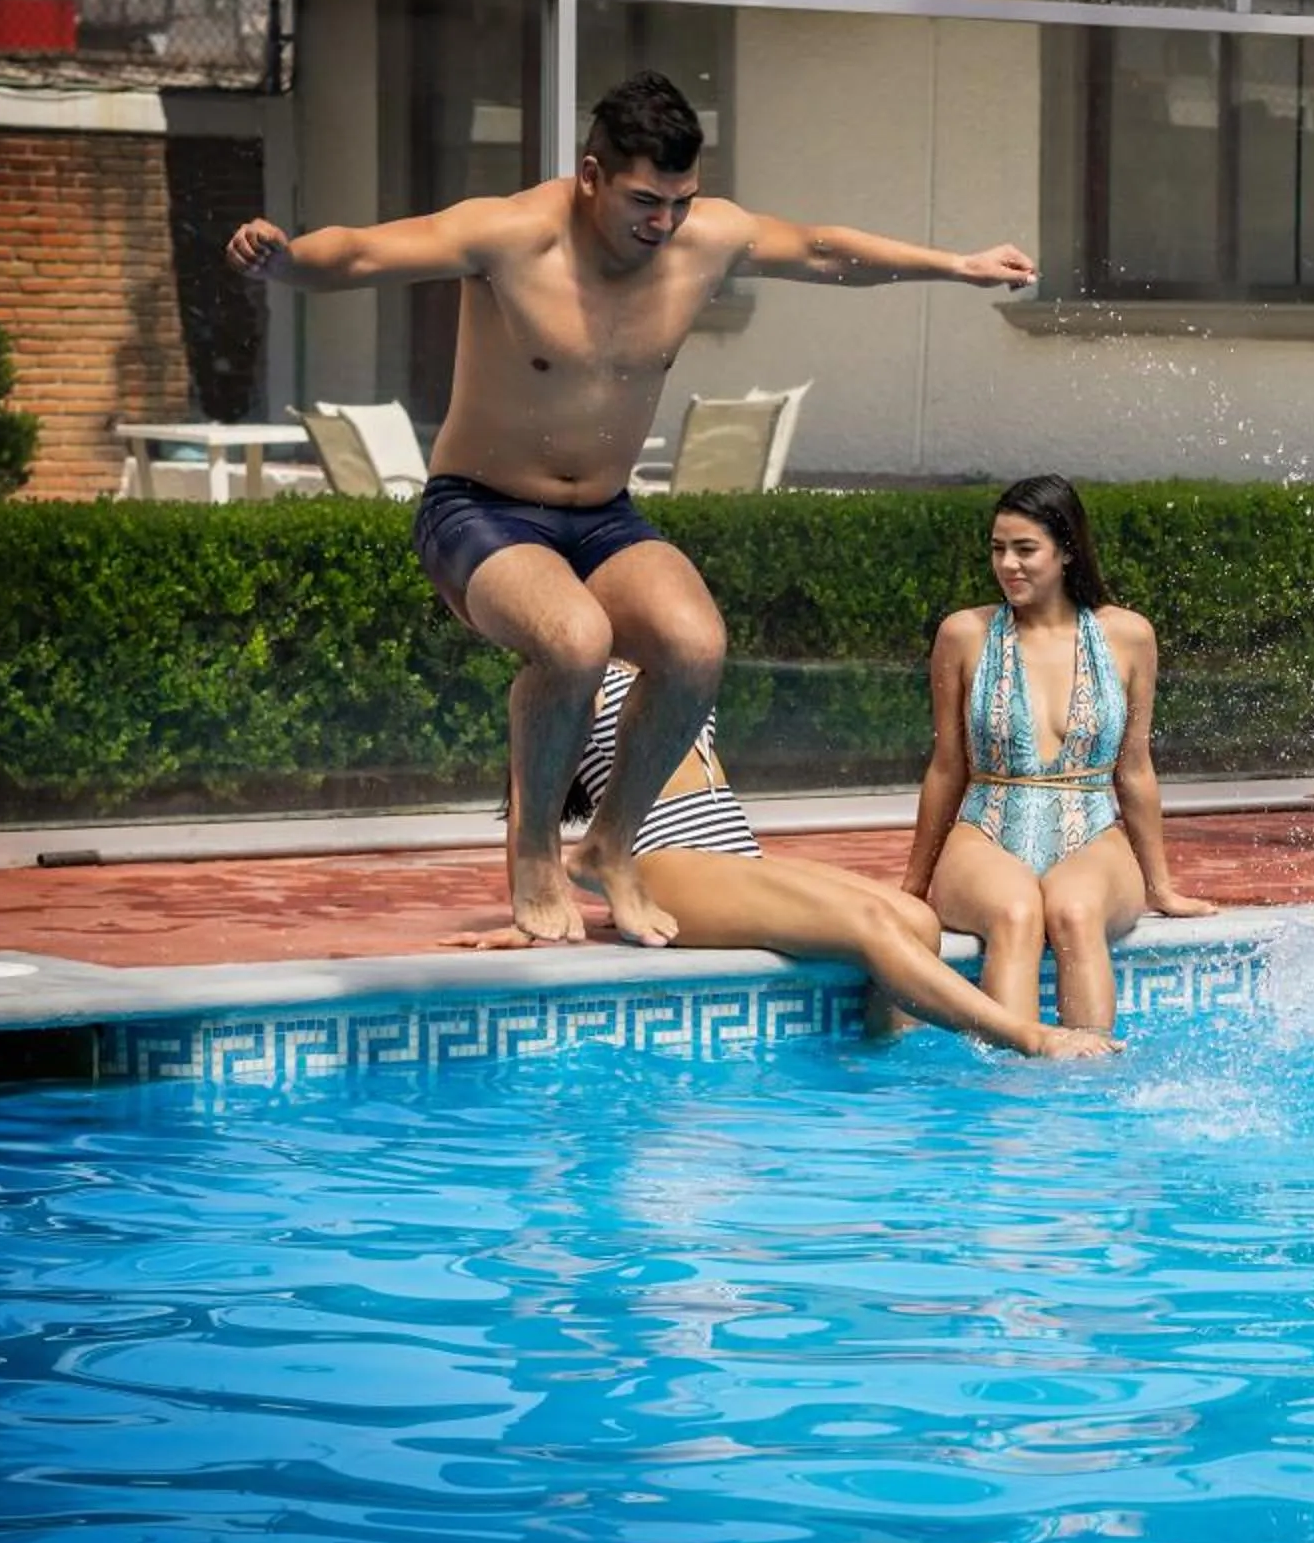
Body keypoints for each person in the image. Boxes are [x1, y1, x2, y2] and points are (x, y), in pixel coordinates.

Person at [227, 70, 1036, 950]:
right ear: (590, 177)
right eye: (645, 201)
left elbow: (819, 251)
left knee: (695, 648)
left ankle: (609, 846)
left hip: (605, 517)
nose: (665, 223)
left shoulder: (703, 240)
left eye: (681, 202)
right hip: (481, 513)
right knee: (573, 640)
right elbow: (367, 253)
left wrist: (953, 265)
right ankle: (536, 852)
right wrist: (287, 259)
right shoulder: (511, 236)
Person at [454, 661, 1118, 1059]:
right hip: (663, 857)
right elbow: (526, 804)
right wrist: (536, 907)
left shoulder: (667, 660)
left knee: (914, 919)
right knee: (868, 928)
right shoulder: (562, 678)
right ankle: (1025, 1038)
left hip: (727, 848)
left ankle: (885, 1074)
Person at [902, 475, 1215, 1033]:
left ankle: (1087, 1096)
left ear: (1067, 551)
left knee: (1074, 912)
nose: (1008, 565)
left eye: (1026, 550)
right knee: (1016, 913)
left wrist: (1160, 885)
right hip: (987, 826)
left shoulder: (1129, 636)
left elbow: (1135, 769)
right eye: (998, 549)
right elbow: (948, 766)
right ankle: (1010, 1090)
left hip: (1092, 828)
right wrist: (913, 887)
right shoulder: (963, 635)